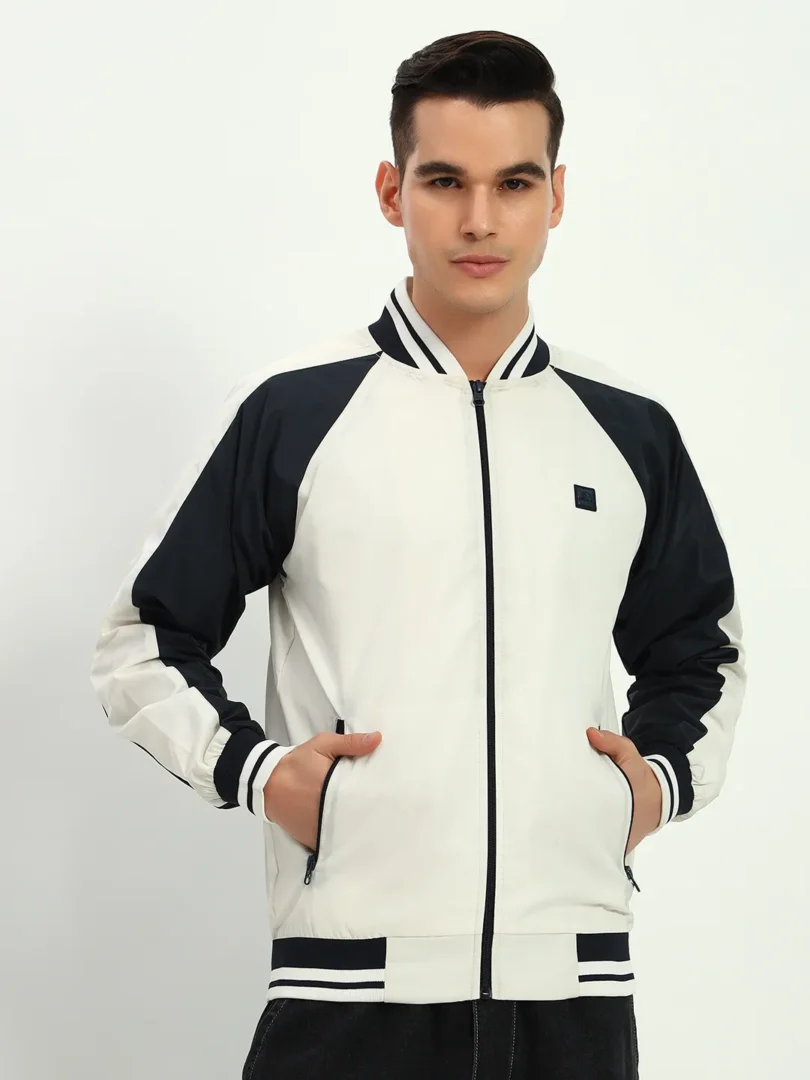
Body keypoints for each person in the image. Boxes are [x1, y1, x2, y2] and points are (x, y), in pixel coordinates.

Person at [88, 28, 746, 1080]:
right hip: (348, 991)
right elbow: (144, 640)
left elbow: (700, 652)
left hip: (572, 991)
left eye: (514, 183)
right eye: (445, 182)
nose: (480, 219)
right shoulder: (295, 414)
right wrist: (261, 774)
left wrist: (653, 785)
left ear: (556, 197)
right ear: (393, 193)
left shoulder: (627, 432)